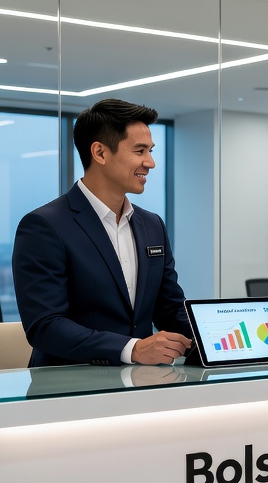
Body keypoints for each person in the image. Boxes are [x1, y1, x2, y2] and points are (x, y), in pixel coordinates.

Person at [13, 98, 193, 367]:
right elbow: (45, 326)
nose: (151, 162)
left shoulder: (152, 225)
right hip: (68, 382)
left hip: (142, 381)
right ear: (99, 153)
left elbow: (170, 308)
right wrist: (133, 349)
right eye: (140, 151)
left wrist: (215, 336)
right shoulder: (44, 225)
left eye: (151, 151)